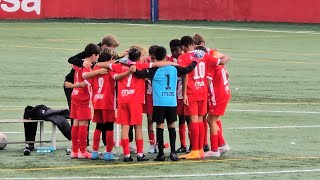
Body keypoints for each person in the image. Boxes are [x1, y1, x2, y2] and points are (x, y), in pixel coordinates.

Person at [98, 47, 178, 162]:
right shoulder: (141, 66)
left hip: (122, 100)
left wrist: (115, 60)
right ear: (139, 58)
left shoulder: (118, 66)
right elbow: (156, 65)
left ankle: (126, 155)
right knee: (138, 127)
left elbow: (102, 65)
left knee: (124, 127)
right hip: (135, 101)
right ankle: (140, 154)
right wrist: (172, 63)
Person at [64, 35, 127, 151]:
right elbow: (72, 60)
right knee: (81, 119)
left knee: (83, 120)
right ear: (104, 47)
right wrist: (82, 64)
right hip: (76, 87)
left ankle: (79, 148)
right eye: (113, 50)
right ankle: (82, 147)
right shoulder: (92, 54)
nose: (114, 52)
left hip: (84, 91)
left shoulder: (97, 61)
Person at [134, 46, 197, 161]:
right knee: (172, 125)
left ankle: (161, 154)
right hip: (172, 102)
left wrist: (131, 67)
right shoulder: (174, 68)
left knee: (159, 126)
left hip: (159, 103)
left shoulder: (154, 70)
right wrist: (195, 61)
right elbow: (188, 69)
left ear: (155, 58)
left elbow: (139, 74)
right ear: (165, 55)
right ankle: (173, 153)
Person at [177, 36, 230, 160]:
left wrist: (184, 94)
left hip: (192, 92)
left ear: (184, 47)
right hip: (203, 92)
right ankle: (200, 149)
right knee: (201, 120)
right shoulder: (203, 55)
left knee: (194, 121)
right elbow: (221, 61)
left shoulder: (183, 57)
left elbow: (183, 74)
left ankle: (195, 150)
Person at [194, 45, 231, 157]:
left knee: (211, 121)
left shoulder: (211, 66)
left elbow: (207, 83)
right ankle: (222, 145)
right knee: (214, 119)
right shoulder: (219, 63)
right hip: (224, 93)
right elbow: (227, 75)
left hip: (218, 97)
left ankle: (215, 150)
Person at [65, 43, 100, 159]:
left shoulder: (78, 63)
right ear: (94, 55)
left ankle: (74, 151)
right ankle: (82, 150)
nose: (98, 58)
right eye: (97, 56)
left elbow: (72, 63)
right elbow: (85, 82)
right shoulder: (88, 68)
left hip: (74, 95)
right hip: (83, 97)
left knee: (75, 123)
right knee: (83, 124)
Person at [168, 39, 189, 153]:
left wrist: (185, 93)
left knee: (185, 119)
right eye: (172, 51)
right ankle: (183, 145)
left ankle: (188, 145)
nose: (174, 53)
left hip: (182, 94)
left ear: (181, 49)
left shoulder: (185, 59)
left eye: (177, 50)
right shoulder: (169, 60)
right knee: (176, 120)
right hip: (172, 95)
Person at [143, 45, 158, 153]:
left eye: (154, 58)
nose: (153, 60)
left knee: (160, 120)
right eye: (151, 58)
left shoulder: (163, 63)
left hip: (160, 95)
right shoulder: (145, 63)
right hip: (149, 95)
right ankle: (152, 143)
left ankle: (159, 143)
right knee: (150, 119)